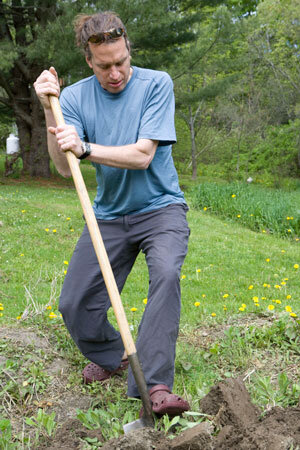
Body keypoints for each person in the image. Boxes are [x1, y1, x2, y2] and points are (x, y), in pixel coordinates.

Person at [34, 11, 190, 416]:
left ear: (128, 51)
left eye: (121, 61)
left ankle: (155, 385)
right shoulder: (75, 98)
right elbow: (65, 167)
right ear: (89, 60)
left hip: (161, 209)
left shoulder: (156, 84)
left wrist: (87, 148)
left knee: (167, 273)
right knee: (74, 303)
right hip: (108, 215)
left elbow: (142, 156)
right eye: (105, 66)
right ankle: (115, 355)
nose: (116, 72)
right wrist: (51, 111)